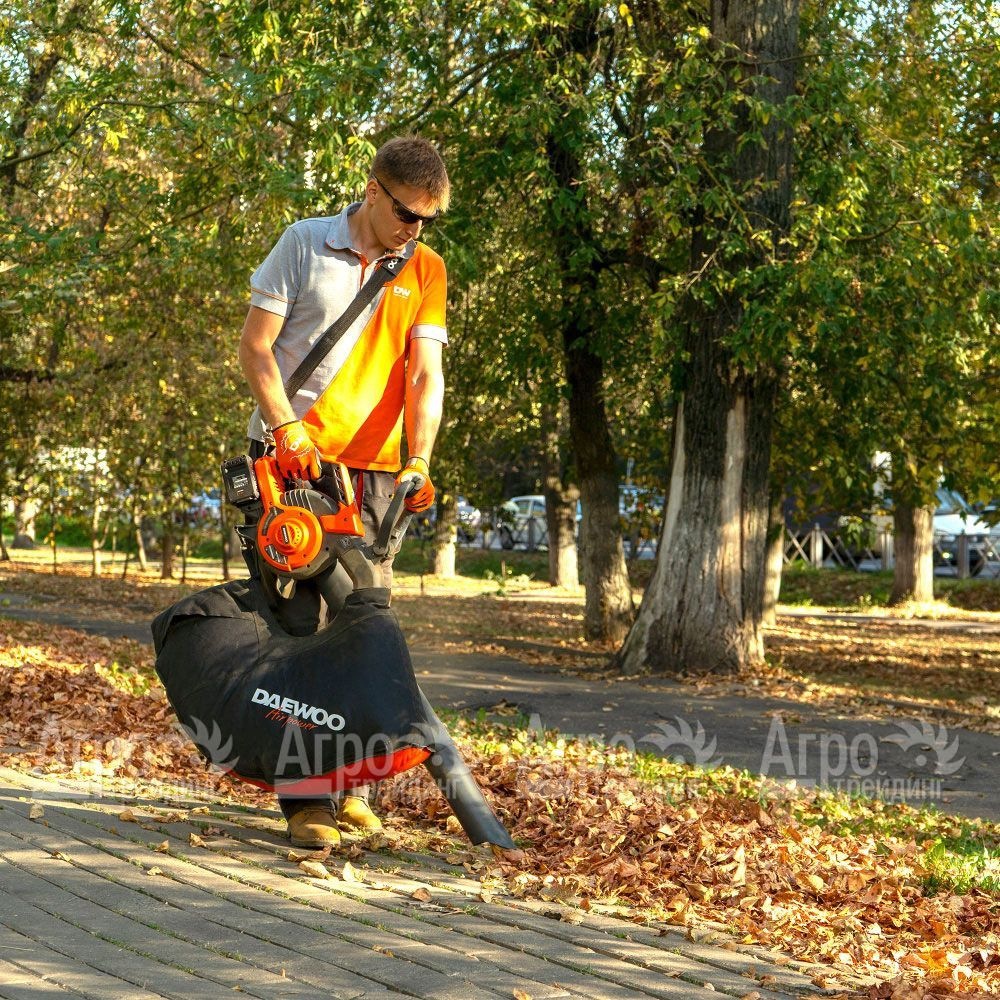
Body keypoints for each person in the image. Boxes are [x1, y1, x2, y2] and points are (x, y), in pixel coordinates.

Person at [238, 135, 449, 848]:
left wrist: (419, 458)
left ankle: (346, 783)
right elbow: (255, 347)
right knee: (300, 627)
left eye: (428, 219)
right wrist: (285, 427)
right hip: (294, 465)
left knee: (363, 628)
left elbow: (424, 374)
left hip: (377, 477)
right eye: (406, 212)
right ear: (372, 190)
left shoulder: (425, 269)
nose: (415, 228)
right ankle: (305, 801)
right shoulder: (303, 244)